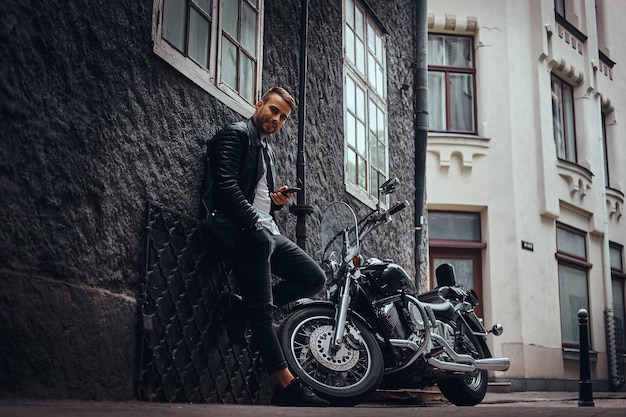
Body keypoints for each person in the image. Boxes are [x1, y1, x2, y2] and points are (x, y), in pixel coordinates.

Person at [199, 87, 329, 407]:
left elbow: (256, 198)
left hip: (265, 229)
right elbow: (226, 186)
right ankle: (286, 387)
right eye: (273, 110)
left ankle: (242, 307)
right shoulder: (235, 135)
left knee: (314, 278)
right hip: (243, 231)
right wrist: (255, 223)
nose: (277, 119)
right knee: (263, 310)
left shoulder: (266, 149)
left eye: (283, 117)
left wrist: (274, 203)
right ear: (259, 105)